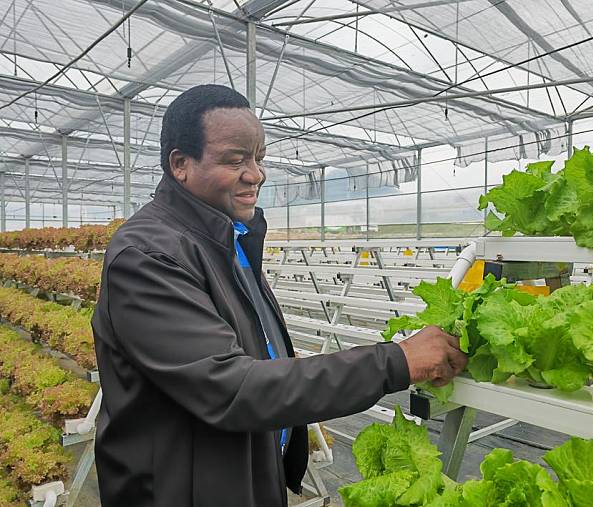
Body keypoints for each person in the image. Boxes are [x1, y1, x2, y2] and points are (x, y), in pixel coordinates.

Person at [91, 84, 467, 507]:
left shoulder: (226, 236)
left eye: (259, 158)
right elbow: (230, 387)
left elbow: (250, 351)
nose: (255, 174)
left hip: (242, 470)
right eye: (236, 160)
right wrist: (395, 361)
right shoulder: (147, 255)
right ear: (180, 164)